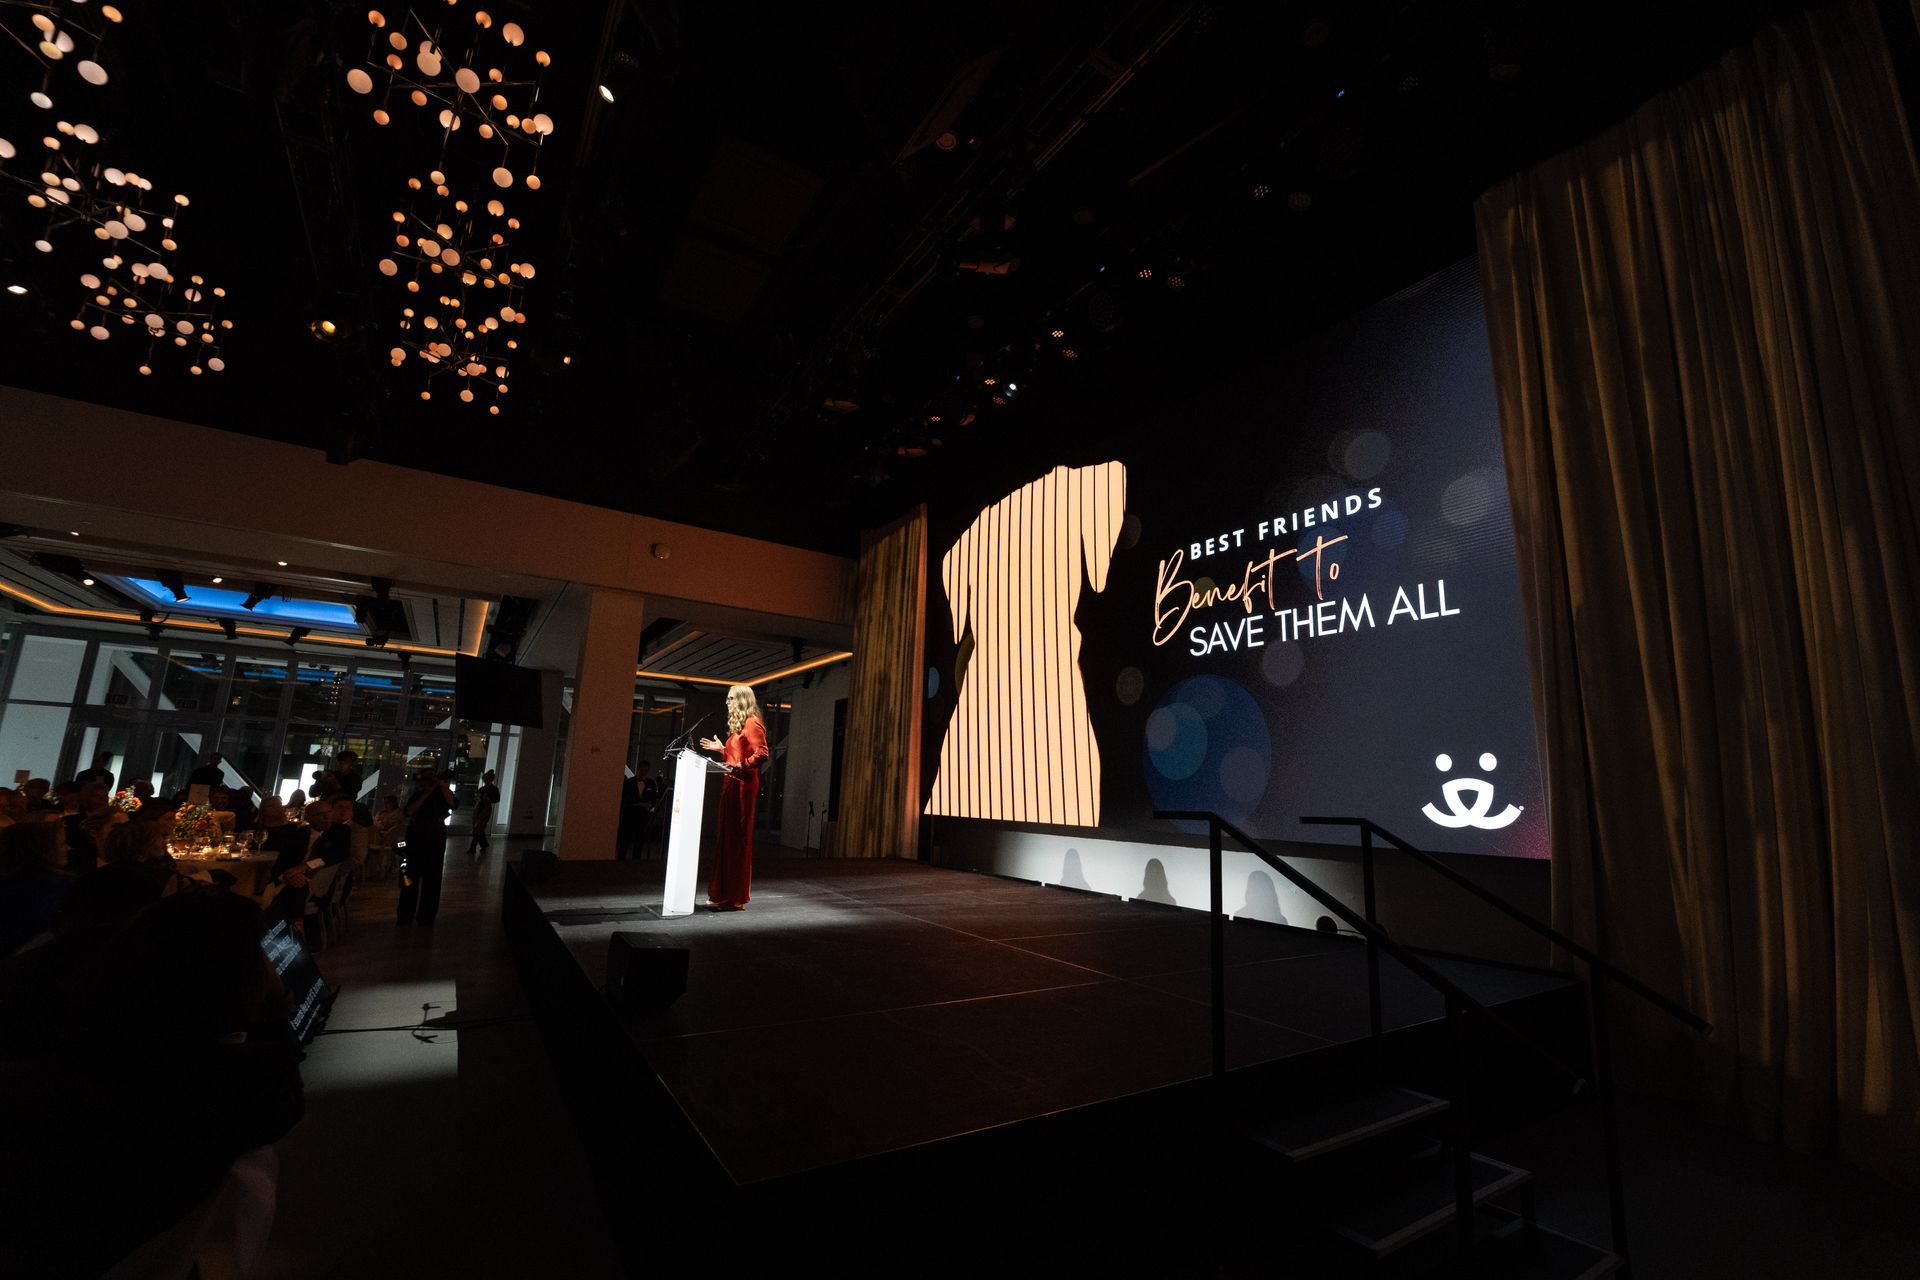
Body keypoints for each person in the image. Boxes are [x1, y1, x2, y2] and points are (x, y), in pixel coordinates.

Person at [698, 684, 770, 911]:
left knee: (736, 840)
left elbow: (762, 753)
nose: (726, 702)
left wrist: (740, 765)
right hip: (730, 783)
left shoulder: (752, 723)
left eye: (730, 699)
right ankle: (721, 893)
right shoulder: (739, 726)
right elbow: (738, 753)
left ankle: (733, 897)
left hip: (742, 787)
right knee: (727, 839)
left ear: (741, 700)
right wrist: (722, 750)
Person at [0, 822, 69, 956]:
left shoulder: (8, 888)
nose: (68, 848)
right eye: (61, 844)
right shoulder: (58, 890)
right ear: (43, 850)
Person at [396, 764, 453, 926]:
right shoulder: (417, 793)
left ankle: (426, 916)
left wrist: (440, 785)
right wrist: (427, 791)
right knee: (409, 875)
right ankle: (405, 914)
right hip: (416, 833)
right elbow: (409, 811)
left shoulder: (442, 794)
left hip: (435, 834)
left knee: (432, 878)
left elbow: (453, 803)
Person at [616, 761, 661, 860]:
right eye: (642, 770)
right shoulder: (629, 782)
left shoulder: (651, 783)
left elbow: (654, 799)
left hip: (643, 816)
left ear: (648, 771)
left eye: (646, 770)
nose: (643, 772)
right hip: (629, 815)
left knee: (639, 840)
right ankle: (620, 862)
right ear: (638, 769)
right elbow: (624, 798)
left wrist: (649, 806)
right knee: (625, 840)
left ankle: (636, 862)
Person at [465, 769, 499, 857]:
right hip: (480, 808)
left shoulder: (490, 789)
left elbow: (496, 799)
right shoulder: (487, 789)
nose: (485, 780)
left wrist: (487, 799)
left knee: (478, 827)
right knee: (478, 828)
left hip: (484, 809)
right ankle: (484, 844)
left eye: (486, 778)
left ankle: (473, 847)